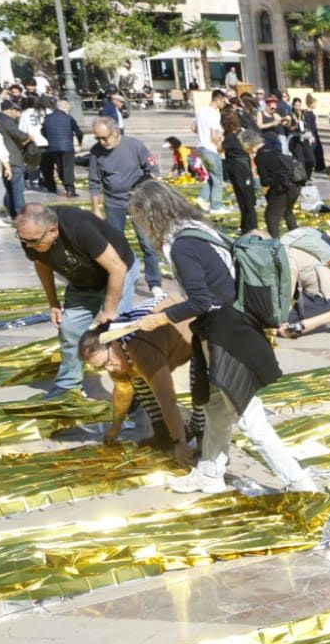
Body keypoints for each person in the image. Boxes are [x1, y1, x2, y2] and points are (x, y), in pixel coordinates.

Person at [124, 181, 317, 494]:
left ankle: (300, 483)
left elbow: (201, 301)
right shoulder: (198, 230)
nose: (141, 228)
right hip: (229, 327)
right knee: (215, 407)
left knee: (250, 419)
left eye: (140, 220)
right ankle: (210, 473)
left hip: (227, 335)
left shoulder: (182, 246)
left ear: (152, 215)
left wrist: (160, 318)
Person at [16, 204, 143, 397]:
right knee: (70, 328)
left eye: (33, 241)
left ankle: (130, 387)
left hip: (118, 273)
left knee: (117, 333)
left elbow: (117, 269)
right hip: (82, 279)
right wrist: (53, 303)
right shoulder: (30, 237)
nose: (28, 246)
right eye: (23, 240)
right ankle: (69, 384)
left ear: (53, 231)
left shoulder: (79, 227)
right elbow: (42, 264)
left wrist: (109, 310)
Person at [81, 314, 194, 455]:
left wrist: (180, 442)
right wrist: (115, 428)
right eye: (102, 367)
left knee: (203, 392)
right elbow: (123, 392)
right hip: (161, 344)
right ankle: (163, 432)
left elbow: (167, 399)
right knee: (137, 380)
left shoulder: (140, 349)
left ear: (114, 343)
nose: (109, 369)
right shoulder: (114, 353)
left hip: (194, 329)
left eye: (107, 362)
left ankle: (197, 434)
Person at [88, 117, 164, 299]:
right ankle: (120, 279)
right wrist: (96, 208)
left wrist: (141, 187)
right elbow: (94, 181)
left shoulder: (135, 146)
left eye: (104, 137)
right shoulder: (96, 152)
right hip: (113, 203)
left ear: (115, 132)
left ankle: (154, 283)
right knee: (115, 245)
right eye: (97, 138)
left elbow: (153, 171)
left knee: (148, 243)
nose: (101, 142)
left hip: (139, 202)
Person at [279, 228, 330, 337]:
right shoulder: (287, 250)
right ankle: (325, 313)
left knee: (286, 331)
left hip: (323, 297)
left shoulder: (287, 259)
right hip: (318, 293)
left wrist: (281, 319)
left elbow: (287, 293)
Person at [249, 130, 299, 237]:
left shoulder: (261, 156)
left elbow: (265, 181)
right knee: (287, 212)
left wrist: (264, 190)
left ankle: (275, 242)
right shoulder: (273, 150)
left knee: (271, 216)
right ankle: (297, 238)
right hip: (295, 185)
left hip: (282, 188)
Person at [40, 99, 83, 198]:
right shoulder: (69, 118)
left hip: (53, 147)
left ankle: (65, 185)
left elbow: (43, 131)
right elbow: (78, 132)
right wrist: (80, 142)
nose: (69, 110)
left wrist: (50, 139)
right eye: (68, 108)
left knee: (60, 167)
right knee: (68, 168)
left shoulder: (47, 118)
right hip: (67, 147)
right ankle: (70, 190)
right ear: (64, 107)